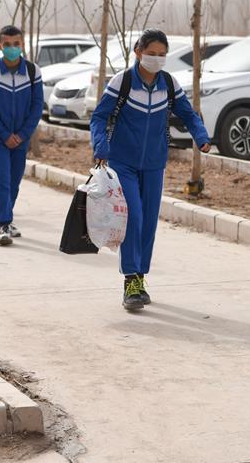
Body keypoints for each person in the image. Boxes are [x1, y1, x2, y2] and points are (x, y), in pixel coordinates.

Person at [90, 29, 211, 310]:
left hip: (155, 163)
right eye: (151, 53)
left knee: (148, 224)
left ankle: (140, 279)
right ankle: (130, 281)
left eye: (161, 55)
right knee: (133, 217)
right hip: (123, 163)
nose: (156, 59)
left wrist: (201, 136)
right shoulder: (123, 81)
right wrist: (101, 147)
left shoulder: (168, 83)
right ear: (138, 52)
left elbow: (188, 114)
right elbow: (99, 117)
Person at [0, 25, 44, 246]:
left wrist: (23, 134)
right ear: (0, 45)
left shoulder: (33, 72)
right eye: (7, 44)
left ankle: (4, 218)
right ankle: (3, 222)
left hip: (21, 138)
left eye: (16, 44)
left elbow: (37, 107)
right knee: (2, 179)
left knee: (14, 181)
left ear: (22, 44)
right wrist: (4, 134)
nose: (12, 48)